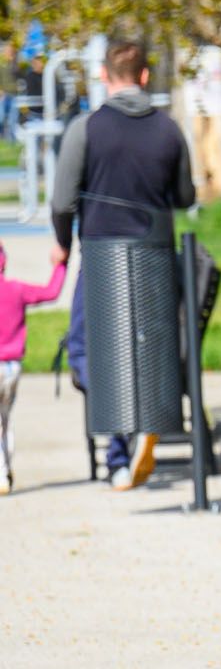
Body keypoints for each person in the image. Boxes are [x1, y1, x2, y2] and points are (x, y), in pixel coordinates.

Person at [50, 40, 196, 491]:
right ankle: (141, 429)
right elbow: (185, 197)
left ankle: (118, 448)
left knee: (85, 348)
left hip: (101, 263)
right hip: (155, 264)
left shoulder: (85, 129)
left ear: (103, 76)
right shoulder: (169, 131)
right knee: (148, 346)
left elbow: (62, 201)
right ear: (145, 77)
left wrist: (62, 245)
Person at [0, 241, 67, 492]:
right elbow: (51, 292)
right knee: (5, 420)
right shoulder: (16, 290)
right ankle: (5, 469)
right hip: (12, 368)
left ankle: (1, 473)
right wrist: (60, 265)